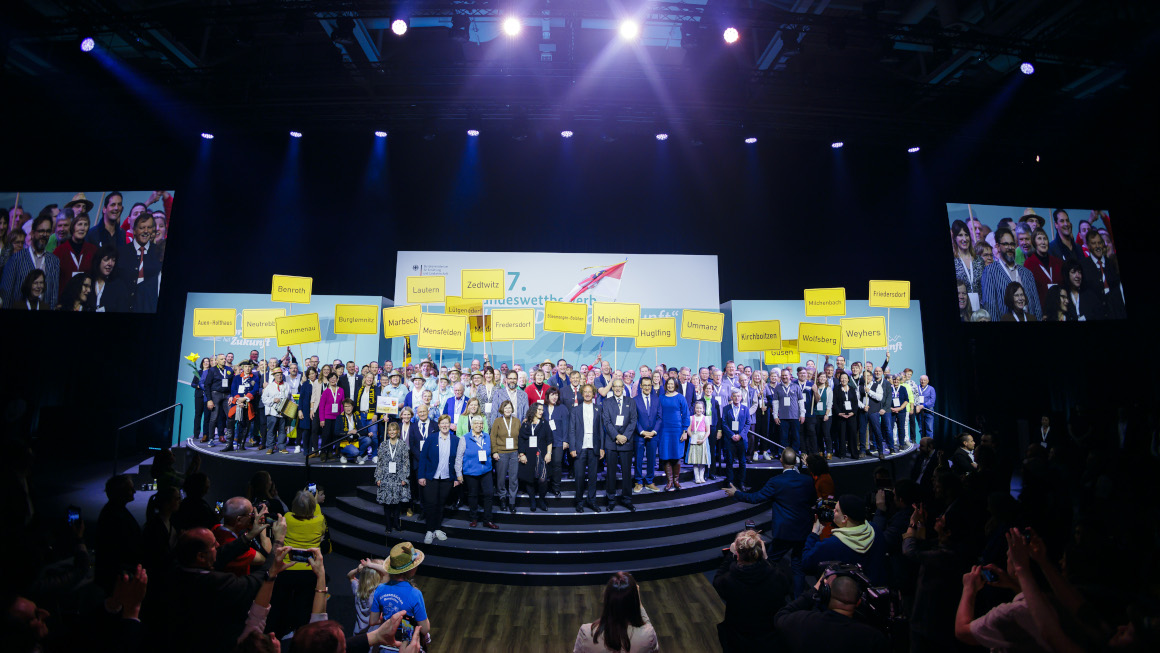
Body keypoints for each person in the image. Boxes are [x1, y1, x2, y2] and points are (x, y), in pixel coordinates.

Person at [162, 519, 287, 653]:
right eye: (213, 545)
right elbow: (259, 579)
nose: (218, 544)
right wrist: (278, 541)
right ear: (201, 557)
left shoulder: (175, 567)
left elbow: (222, 554)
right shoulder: (216, 584)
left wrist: (249, 535)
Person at [725, 448, 816, 596]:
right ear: (795, 462)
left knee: (770, 562)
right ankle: (798, 600)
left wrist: (737, 493)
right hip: (803, 530)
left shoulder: (776, 482)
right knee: (798, 567)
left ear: (781, 461)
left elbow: (756, 498)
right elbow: (812, 501)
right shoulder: (807, 480)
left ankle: (765, 593)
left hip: (784, 531)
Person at [773, 570, 890, 653]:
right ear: (858, 602)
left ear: (827, 595)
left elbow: (781, 615)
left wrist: (813, 590)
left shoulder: (803, 622)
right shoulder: (872, 638)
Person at [713, 529, 791, 652]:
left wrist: (729, 556)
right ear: (760, 551)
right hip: (769, 639)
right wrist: (766, 558)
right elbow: (786, 584)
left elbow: (717, 580)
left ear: (737, 554)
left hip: (738, 639)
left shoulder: (729, 580)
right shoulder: (776, 577)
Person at [267, 489, 326, 638]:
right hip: (309, 569)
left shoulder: (287, 517)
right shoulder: (320, 520)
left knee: (281, 603)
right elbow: (316, 512)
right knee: (304, 605)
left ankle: (278, 633)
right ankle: (301, 634)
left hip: (286, 568)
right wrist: (313, 499)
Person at [801, 494, 887, 585]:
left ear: (845, 518)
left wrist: (814, 534)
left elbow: (806, 564)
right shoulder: (876, 530)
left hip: (844, 595)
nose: (833, 511)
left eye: (837, 510)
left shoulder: (831, 544)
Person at [574, 572, 659, 653]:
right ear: (634, 602)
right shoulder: (648, 636)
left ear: (606, 599)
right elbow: (648, 632)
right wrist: (638, 601)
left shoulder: (586, 633)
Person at [367, 542, 433, 647]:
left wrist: (390, 617)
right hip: (407, 645)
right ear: (411, 569)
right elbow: (425, 629)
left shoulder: (380, 589)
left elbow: (373, 621)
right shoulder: (415, 594)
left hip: (386, 642)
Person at [417, 411, 461, 543]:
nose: (445, 425)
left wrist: (456, 478)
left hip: (447, 478)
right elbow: (423, 458)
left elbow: (458, 461)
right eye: (442, 423)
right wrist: (421, 476)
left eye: (447, 423)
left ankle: (437, 529)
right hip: (431, 477)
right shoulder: (431, 439)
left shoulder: (456, 440)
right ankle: (429, 531)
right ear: (439, 425)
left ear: (450, 425)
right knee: (431, 504)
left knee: (441, 505)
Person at [95, 475, 143, 595]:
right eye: (130, 489)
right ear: (120, 492)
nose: (134, 491)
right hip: (120, 577)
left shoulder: (114, 511)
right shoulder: (114, 516)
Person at [982, 227, 1042, 320]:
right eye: (1005, 244)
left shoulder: (1027, 273)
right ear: (997, 246)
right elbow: (990, 307)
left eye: (1012, 244)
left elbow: (1036, 306)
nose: (1010, 248)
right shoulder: (990, 271)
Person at [1, 215, 60, 310]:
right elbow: (6, 293)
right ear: (32, 233)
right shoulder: (16, 259)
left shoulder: (54, 261)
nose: (45, 234)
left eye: (48, 231)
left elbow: (53, 296)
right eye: (41, 231)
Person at [212, 498, 273, 577]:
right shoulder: (235, 548)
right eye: (251, 514)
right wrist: (263, 527)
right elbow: (266, 558)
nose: (253, 516)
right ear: (239, 520)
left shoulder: (216, 528)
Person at [602, 379, 638, 510]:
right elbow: (606, 422)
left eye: (619, 386)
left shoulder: (631, 402)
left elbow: (633, 420)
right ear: (612, 388)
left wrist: (625, 437)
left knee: (627, 473)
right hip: (612, 442)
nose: (617, 389)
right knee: (611, 473)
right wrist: (617, 436)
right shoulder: (606, 402)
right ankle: (611, 500)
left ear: (623, 388)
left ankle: (627, 499)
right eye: (615, 386)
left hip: (626, 442)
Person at [566, 383, 602, 513]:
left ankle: (592, 501)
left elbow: (601, 430)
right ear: (582, 394)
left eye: (590, 392)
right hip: (580, 448)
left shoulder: (599, 408)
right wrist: (572, 448)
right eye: (585, 392)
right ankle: (579, 502)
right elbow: (571, 430)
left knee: (593, 477)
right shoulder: (575, 410)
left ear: (593, 394)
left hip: (594, 447)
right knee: (580, 477)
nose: (587, 394)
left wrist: (602, 447)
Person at [460, 414, 498, 528]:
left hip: (486, 471)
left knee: (489, 494)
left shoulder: (487, 437)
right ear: (471, 425)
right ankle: (474, 519)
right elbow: (459, 457)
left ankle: (488, 520)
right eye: (476, 423)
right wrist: (458, 474)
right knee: (473, 495)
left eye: (481, 423)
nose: (479, 425)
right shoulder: (465, 438)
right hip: (471, 472)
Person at [1079, 226, 1126, 319]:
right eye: (1093, 243)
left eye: (1099, 243)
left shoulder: (1112, 264)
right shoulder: (1083, 266)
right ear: (1088, 246)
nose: (1097, 246)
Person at [375, 421, 411, 534]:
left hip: (398, 477)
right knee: (387, 504)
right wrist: (378, 477)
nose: (391, 432)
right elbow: (379, 463)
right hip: (385, 477)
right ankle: (388, 526)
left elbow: (406, 462)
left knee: (397, 504)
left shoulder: (403, 445)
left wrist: (404, 477)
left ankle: (396, 524)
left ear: (398, 431)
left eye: (394, 430)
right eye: (389, 430)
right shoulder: (383, 445)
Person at [518, 402, 553, 512]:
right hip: (528, 455)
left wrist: (549, 453)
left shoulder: (544, 423)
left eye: (542, 410)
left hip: (541, 455)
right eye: (539, 409)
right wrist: (522, 454)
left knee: (543, 479)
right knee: (530, 479)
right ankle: (532, 501)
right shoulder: (525, 424)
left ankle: (541, 500)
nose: (541, 412)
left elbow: (549, 440)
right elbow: (521, 440)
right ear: (533, 410)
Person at [52, 211, 97, 297]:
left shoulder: (93, 250)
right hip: (64, 300)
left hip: (85, 299)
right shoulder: (59, 251)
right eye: (79, 224)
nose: (82, 228)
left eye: (85, 224)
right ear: (73, 227)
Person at [629, 376, 661, 493]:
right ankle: (638, 481)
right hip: (639, 435)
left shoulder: (656, 399)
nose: (647, 387)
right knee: (638, 459)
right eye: (645, 385)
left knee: (652, 459)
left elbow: (659, 418)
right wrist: (642, 431)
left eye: (649, 385)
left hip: (653, 435)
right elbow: (633, 418)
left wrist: (653, 432)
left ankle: (649, 481)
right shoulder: (634, 400)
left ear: (651, 386)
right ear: (641, 386)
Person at [491, 399, 521, 514]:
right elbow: (493, 437)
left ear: (512, 409)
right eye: (505, 407)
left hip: (514, 452)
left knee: (513, 479)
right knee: (501, 479)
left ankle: (512, 502)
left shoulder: (517, 421)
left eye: (509, 407)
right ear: (502, 409)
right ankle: (502, 499)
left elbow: (521, 438)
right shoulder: (497, 421)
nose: (508, 409)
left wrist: (521, 452)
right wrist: (494, 452)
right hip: (501, 453)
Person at [544, 386, 569, 497]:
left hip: (558, 441)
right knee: (545, 465)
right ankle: (545, 487)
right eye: (552, 395)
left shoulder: (562, 408)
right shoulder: (542, 407)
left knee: (557, 464)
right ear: (547, 396)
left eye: (556, 395)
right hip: (544, 442)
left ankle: (556, 488)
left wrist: (565, 440)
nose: (554, 397)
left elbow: (566, 425)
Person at [347, 560, 382, 636]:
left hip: (357, 635)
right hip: (372, 636)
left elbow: (350, 576)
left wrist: (357, 569)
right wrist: (371, 564)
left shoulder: (358, 589)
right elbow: (387, 573)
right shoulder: (379, 591)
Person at [260, 367, 290, 454]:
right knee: (271, 430)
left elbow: (290, 397)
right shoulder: (269, 386)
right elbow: (264, 399)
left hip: (283, 412)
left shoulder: (286, 385)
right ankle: (270, 447)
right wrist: (273, 400)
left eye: (281, 375)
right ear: (274, 376)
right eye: (277, 375)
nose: (279, 377)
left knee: (282, 430)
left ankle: (282, 447)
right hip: (272, 412)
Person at [952, 219, 984, 297]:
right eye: (960, 235)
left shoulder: (979, 260)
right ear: (955, 238)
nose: (964, 239)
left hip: (981, 306)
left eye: (966, 235)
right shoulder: (954, 261)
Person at [832, 372, 859, 459]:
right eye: (842, 378)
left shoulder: (852, 389)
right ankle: (842, 454)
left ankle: (854, 453)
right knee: (841, 435)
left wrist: (853, 412)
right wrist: (839, 413)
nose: (843, 380)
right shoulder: (836, 389)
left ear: (848, 379)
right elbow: (834, 403)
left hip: (851, 415)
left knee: (852, 435)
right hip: (841, 415)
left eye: (845, 378)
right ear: (840, 380)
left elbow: (855, 402)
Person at [684, 399, 712, 483]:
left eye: (700, 408)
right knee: (695, 459)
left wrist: (703, 439)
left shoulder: (706, 418)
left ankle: (701, 476)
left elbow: (708, 431)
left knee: (702, 460)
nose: (699, 410)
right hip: (694, 440)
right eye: (697, 408)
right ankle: (696, 477)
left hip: (703, 440)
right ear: (694, 409)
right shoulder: (691, 418)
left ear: (703, 409)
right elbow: (688, 430)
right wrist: (693, 438)